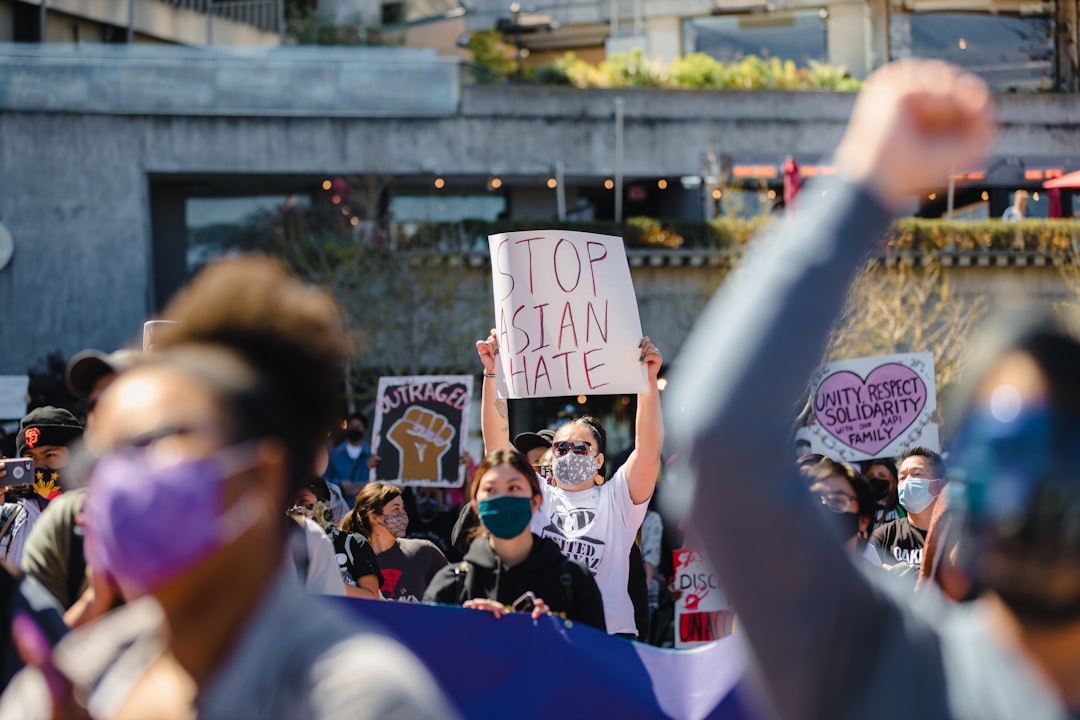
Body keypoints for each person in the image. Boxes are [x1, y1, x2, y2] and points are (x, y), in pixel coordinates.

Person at [670, 60, 1080, 719]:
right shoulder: (880, 658)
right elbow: (724, 440)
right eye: (1011, 443)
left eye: (1067, 445)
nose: (1041, 483)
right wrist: (866, 182)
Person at [0, 257, 454, 719]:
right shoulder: (70, 684)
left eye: (149, 445)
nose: (116, 481)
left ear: (257, 478)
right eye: (101, 457)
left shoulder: (358, 699)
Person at [477, 332, 664, 638]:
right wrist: (492, 373)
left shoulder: (618, 500)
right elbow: (496, 447)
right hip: (545, 632)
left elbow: (648, 450)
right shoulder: (536, 496)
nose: (570, 454)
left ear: (600, 460)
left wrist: (647, 381)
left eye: (581, 448)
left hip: (608, 636)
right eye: (562, 448)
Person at [423, 449, 606, 630]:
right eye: (491, 489)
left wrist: (556, 632)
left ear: (535, 502)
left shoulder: (574, 581)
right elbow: (425, 653)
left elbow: (597, 655)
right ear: (476, 506)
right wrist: (466, 626)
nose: (502, 497)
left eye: (514, 488)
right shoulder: (450, 585)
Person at [0, 407, 83, 567]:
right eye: (30, 458)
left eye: (50, 455)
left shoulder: (99, 517)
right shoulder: (8, 521)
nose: (39, 466)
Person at [345, 482, 448, 602]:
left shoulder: (424, 552)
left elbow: (457, 590)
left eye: (403, 508)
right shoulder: (351, 561)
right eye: (396, 509)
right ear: (375, 518)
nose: (404, 516)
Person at [289, 479, 382, 599]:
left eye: (302, 501)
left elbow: (372, 597)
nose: (296, 508)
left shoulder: (354, 543)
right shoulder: (286, 553)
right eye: (290, 504)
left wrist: (329, 584)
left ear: (324, 502)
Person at [870, 447, 947, 571]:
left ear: (940, 485)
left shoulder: (957, 535)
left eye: (917, 474)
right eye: (902, 477)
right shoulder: (883, 537)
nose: (908, 482)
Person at [806, 459, 877, 563]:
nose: (823, 505)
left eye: (837, 500)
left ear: (864, 520)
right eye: (815, 499)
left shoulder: (877, 579)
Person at [324, 412, 374, 504]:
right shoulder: (334, 454)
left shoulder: (371, 455)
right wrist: (340, 483)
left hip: (365, 504)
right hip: (340, 504)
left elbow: (377, 479)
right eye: (352, 425)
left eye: (358, 426)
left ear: (364, 430)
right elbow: (325, 478)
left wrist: (365, 485)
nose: (355, 428)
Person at [863, 457, 904, 525]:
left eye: (882, 476)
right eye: (870, 476)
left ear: (893, 482)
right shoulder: (859, 509)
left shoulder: (904, 508)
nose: (875, 479)